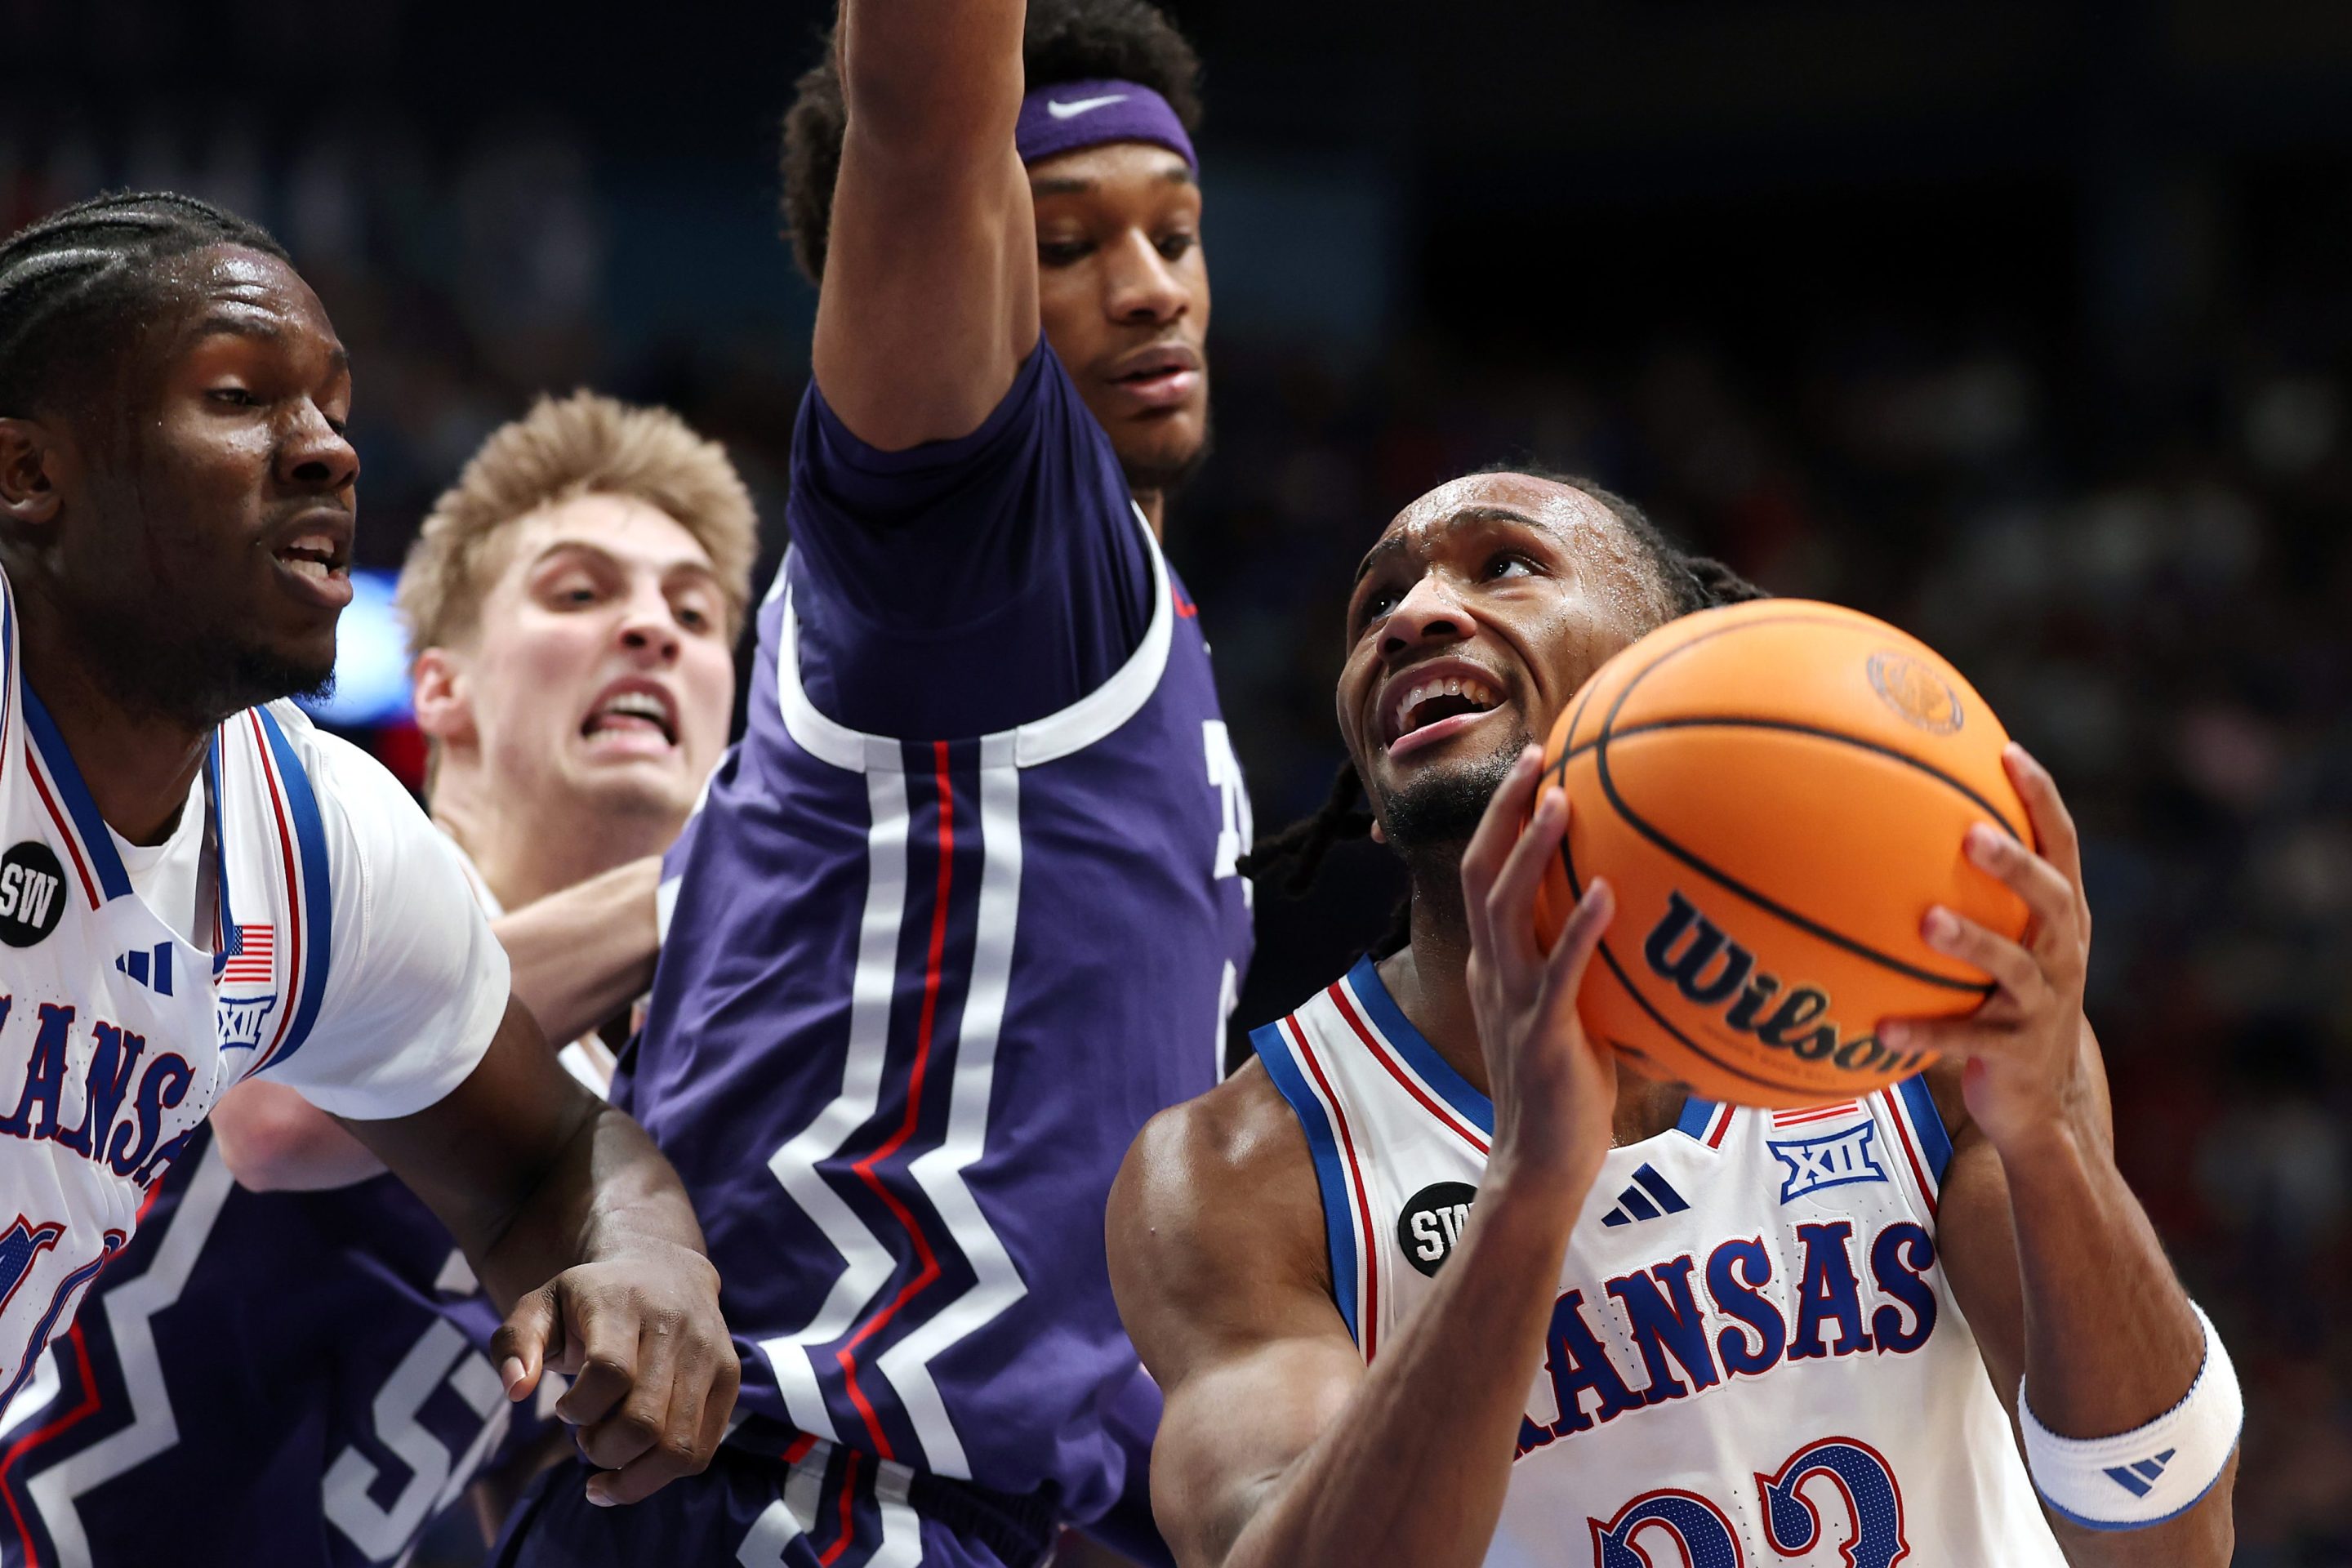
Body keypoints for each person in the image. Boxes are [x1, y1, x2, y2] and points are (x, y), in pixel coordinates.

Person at [1107, 470, 2241, 1566]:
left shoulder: (1921, 1021)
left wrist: (2051, 1144)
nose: (1412, 617)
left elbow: (2166, 1548)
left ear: (1680, 667)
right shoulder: (1240, 1172)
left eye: (1504, 565)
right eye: (1375, 606)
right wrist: (1528, 1193)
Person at [496, 2, 1252, 1564]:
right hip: (811, 1501)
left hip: (914, 1502)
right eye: (1067, 243)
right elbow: (921, 110)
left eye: (1176, 234)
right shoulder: (982, 546)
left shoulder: (1116, 640)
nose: (1150, 286)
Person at [0, 191, 739, 1528]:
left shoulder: (318, 847)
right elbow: (278, 1126)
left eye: (335, 409)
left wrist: (650, 1256)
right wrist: (735, 863)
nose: (330, 451)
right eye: (239, 397)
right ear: (27, 473)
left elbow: (546, 1162)